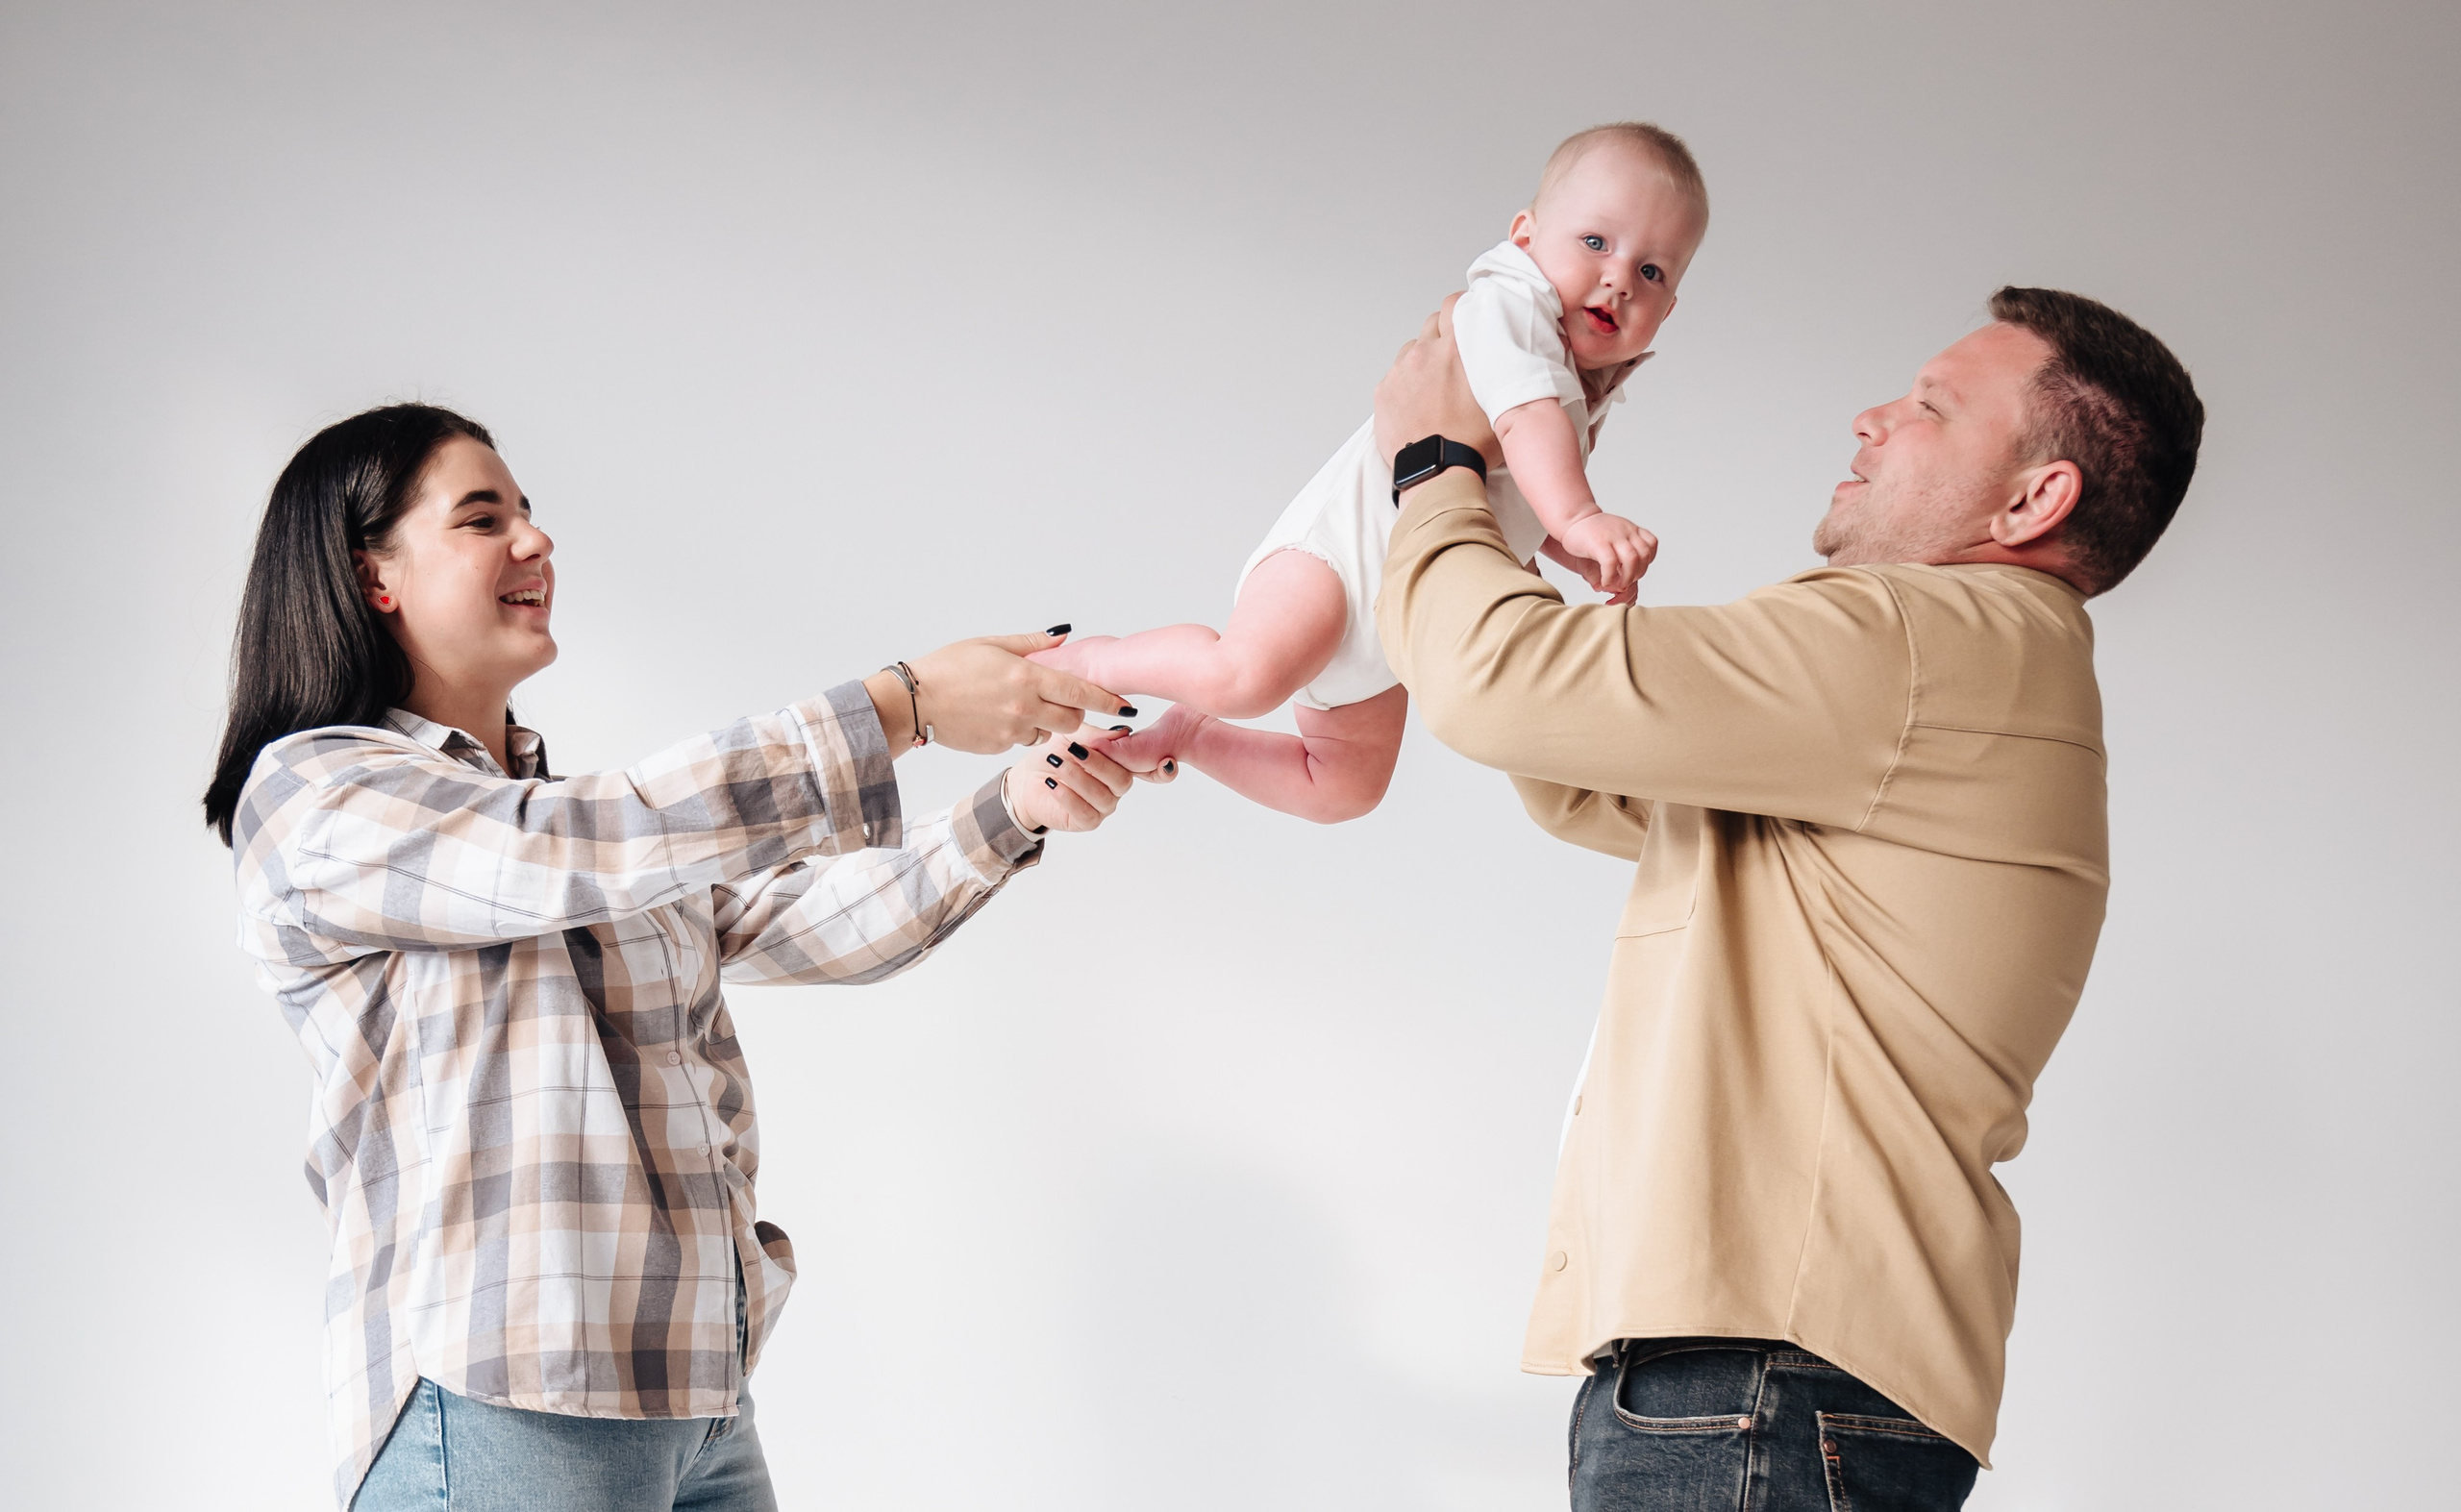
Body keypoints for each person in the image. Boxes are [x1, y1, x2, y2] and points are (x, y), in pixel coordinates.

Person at [202, 404, 1159, 1512]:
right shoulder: (319, 793)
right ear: (374, 576)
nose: (535, 541)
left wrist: (1014, 807)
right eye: (482, 517)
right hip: (505, 1399)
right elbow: (591, 845)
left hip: (696, 1405)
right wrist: (900, 707)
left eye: (528, 512)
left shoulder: (583, 831)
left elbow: (811, 919)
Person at [1367, 286, 2202, 1509]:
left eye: (1926, 405)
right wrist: (1503, 502)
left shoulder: (1924, 639)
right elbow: (1580, 774)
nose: (1871, 418)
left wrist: (1432, 465)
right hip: (1781, 1380)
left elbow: (1495, 687)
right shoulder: (1978, 670)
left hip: (1761, 1381)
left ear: (2033, 499)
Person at [1032, 123, 1706, 821]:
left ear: (1672, 306)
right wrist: (1584, 518)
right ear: (1526, 236)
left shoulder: (1580, 380)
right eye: (1595, 242)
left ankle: (1191, 734)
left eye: (1652, 271)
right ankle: (1092, 664)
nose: (1619, 279)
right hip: (1339, 561)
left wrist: (1572, 548)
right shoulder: (1512, 306)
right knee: (1246, 676)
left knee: (1346, 786)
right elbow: (1522, 424)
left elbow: (1519, 493)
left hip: (1399, 615)